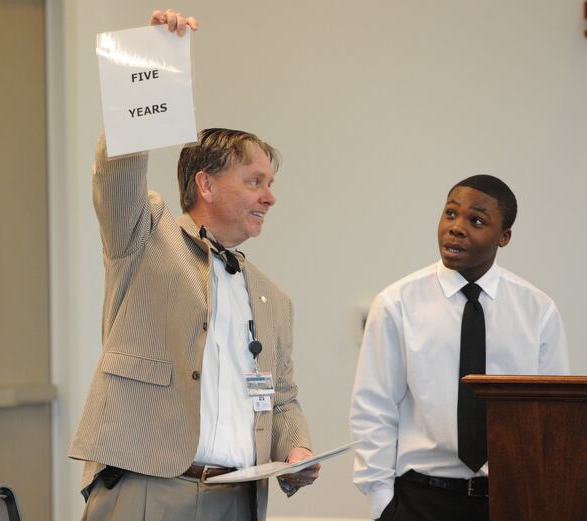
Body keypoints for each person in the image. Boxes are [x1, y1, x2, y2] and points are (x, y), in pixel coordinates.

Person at [69, 9, 319, 521]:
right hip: (149, 489)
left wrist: (297, 450)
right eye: (255, 181)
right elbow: (116, 173)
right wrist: (152, 59)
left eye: (271, 184)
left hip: (240, 499)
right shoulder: (145, 233)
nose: (270, 197)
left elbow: (282, 397)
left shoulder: (273, 297)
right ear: (205, 184)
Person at [349, 174, 569, 521]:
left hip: (511, 498)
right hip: (419, 499)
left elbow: (552, 418)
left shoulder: (537, 310)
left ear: (504, 237)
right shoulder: (397, 303)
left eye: (476, 221)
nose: (456, 228)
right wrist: (381, 503)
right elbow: (373, 407)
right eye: (450, 214)